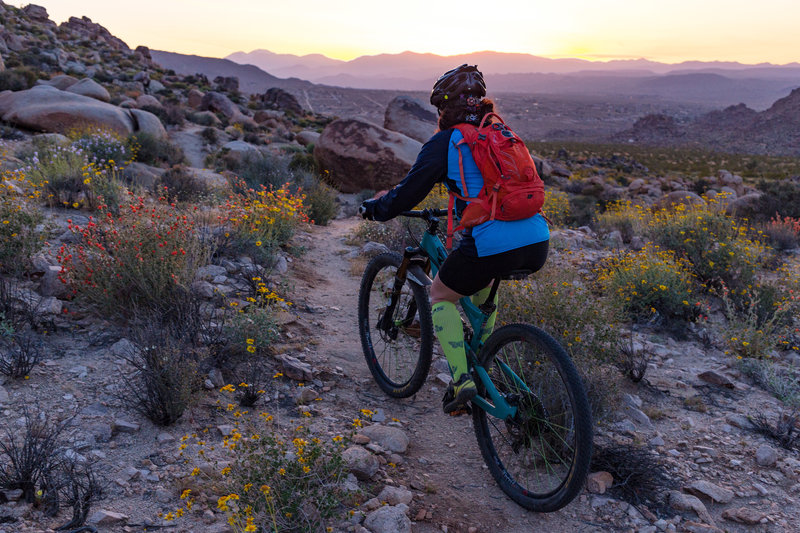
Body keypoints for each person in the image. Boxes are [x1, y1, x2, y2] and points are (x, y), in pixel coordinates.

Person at [360, 64, 550, 413]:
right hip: (537, 239)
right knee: (479, 290)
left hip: (494, 242)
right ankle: (486, 355)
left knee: (440, 294)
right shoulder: (500, 132)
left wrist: (377, 209)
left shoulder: (447, 141)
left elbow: (407, 194)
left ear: (446, 109)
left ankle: (462, 380)